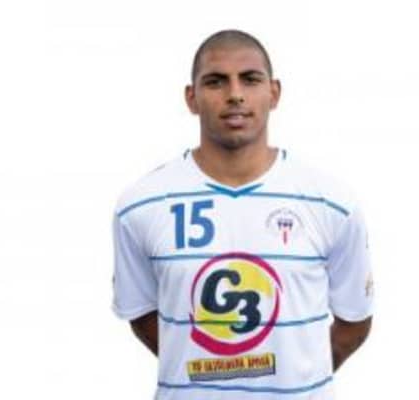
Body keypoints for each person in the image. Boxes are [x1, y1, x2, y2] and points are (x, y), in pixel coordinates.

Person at [112, 29, 374, 400]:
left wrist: (297, 372)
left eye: (250, 79)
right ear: (191, 98)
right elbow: (141, 314)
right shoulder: (141, 205)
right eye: (216, 81)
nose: (235, 94)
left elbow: (354, 322)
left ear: (274, 93)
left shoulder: (332, 202)